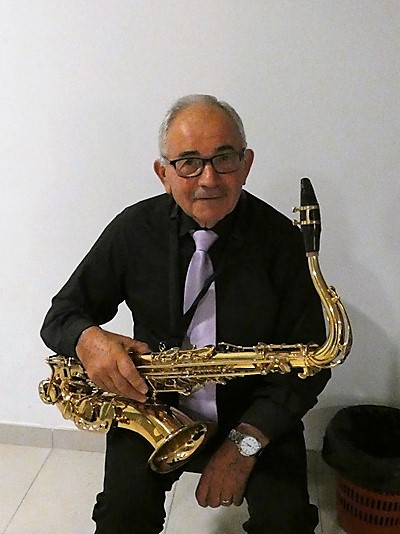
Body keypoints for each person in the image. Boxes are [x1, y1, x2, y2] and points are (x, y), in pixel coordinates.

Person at [41, 94, 331, 533]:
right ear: (164, 173)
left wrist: (245, 443)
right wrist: (88, 340)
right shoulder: (133, 230)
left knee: (287, 522)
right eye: (189, 162)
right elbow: (62, 314)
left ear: (247, 164)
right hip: (152, 407)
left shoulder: (284, 242)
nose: (208, 179)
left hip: (255, 411)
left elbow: (313, 360)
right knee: (122, 517)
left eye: (224, 158)